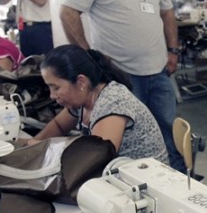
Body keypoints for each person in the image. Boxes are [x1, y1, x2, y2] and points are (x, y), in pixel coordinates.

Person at [60, 0, 184, 172]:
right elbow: (68, 13)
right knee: (128, 138)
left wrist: (173, 49)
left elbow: (167, 12)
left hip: (158, 71)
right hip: (121, 76)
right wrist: (87, 55)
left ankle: (178, 179)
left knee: (167, 131)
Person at [32, 45, 168, 163]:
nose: (52, 95)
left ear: (81, 82)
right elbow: (59, 126)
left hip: (147, 184)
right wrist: (29, 146)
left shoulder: (113, 103)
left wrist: (45, 147)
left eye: (56, 87)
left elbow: (94, 160)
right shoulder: (82, 99)